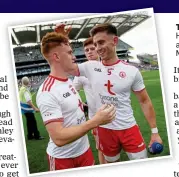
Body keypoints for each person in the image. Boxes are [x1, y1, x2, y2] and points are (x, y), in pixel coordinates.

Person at [55, 23, 163, 163]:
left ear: (115, 41)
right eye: (95, 44)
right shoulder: (90, 67)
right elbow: (65, 66)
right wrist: (61, 40)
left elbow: (144, 101)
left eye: (101, 42)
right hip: (104, 129)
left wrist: (155, 132)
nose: (98, 48)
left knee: (141, 163)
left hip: (128, 127)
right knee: (112, 164)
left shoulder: (132, 71)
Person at [36, 31, 116, 170]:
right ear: (56, 56)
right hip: (63, 159)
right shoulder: (47, 92)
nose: (74, 57)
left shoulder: (68, 81)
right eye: (69, 53)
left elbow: (69, 107)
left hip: (84, 150)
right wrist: (96, 121)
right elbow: (59, 138)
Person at [72, 37, 106, 164]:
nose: (90, 51)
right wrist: (80, 102)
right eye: (87, 50)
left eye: (92, 48)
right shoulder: (82, 72)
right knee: (101, 148)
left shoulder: (107, 67)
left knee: (116, 147)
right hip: (96, 118)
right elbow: (72, 91)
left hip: (115, 115)